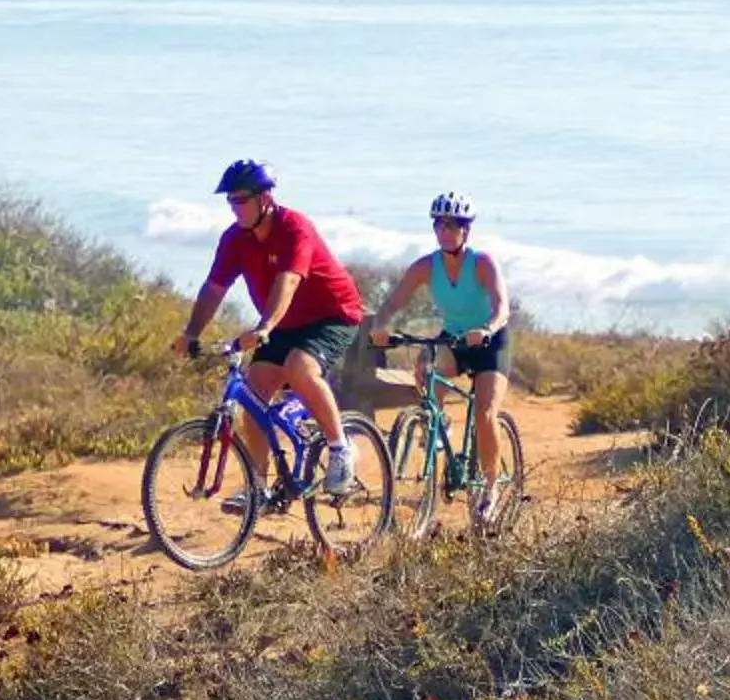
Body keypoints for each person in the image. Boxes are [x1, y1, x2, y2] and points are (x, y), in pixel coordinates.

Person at [177, 160, 365, 498]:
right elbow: (214, 288)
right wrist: (191, 332)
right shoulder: (235, 239)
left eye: (240, 200)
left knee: (300, 368)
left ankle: (341, 449)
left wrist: (264, 326)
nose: (234, 208)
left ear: (264, 198)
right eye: (230, 201)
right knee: (252, 395)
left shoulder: (295, 228)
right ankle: (258, 489)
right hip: (284, 322)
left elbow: (288, 281)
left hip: (333, 315)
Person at [367, 192, 515, 521]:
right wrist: (380, 326)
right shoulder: (425, 266)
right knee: (426, 367)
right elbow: (393, 302)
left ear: (466, 230)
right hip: (456, 338)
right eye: (440, 224)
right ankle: (439, 424)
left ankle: (491, 487)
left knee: (485, 412)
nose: (446, 231)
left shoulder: (482, 263)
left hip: (490, 340)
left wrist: (489, 327)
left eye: (454, 225)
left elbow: (501, 305)